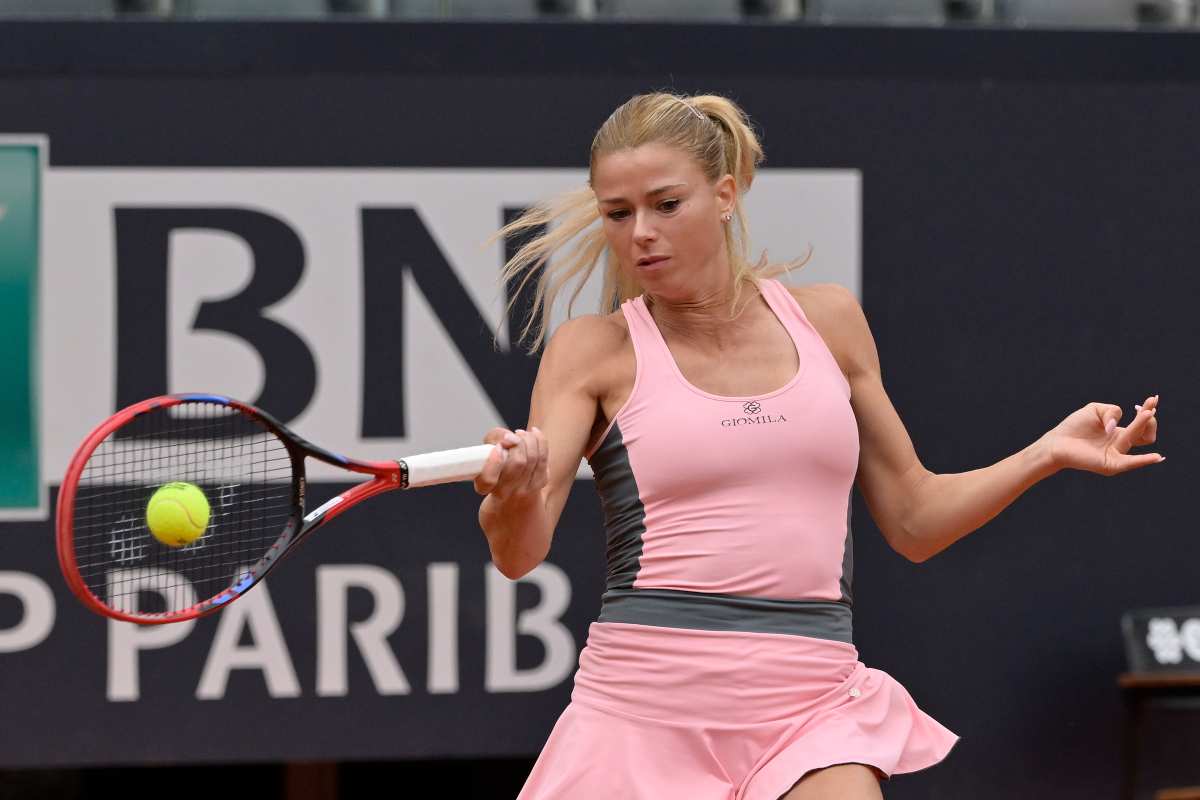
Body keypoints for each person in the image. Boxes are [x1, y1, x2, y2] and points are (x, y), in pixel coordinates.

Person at [474, 91, 1164, 800]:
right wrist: (513, 495)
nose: (640, 232)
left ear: (726, 193)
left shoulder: (829, 321)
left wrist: (1045, 453)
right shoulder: (591, 351)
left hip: (810, 699)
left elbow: (915, 520)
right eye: (618, 213)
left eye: (665, 204)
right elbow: (517, 552)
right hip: (644, 709)